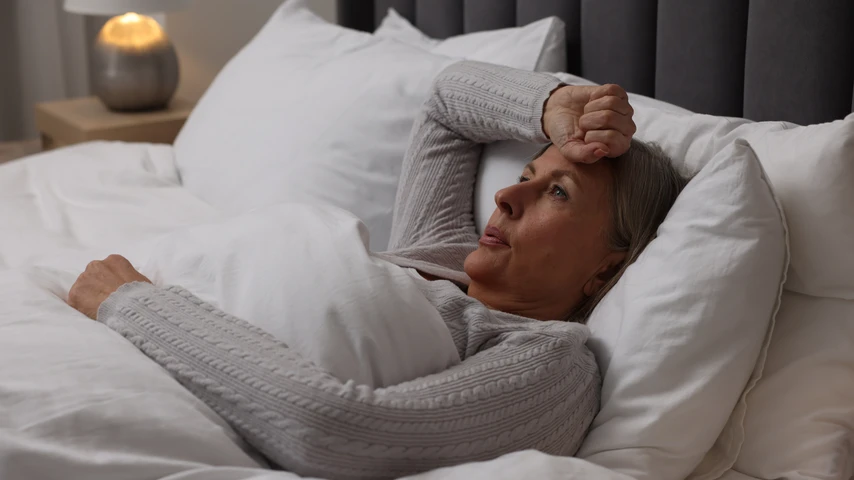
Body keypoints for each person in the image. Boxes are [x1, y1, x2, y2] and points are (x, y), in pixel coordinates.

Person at [67, 61, 687, 479]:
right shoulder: (437, 248)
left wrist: (138, 306)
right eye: (527, 173)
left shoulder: (553, 365)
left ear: (605, 271)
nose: (505, 196)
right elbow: (446, 104)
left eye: (557, 193)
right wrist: (550, 107)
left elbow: (337, 432)